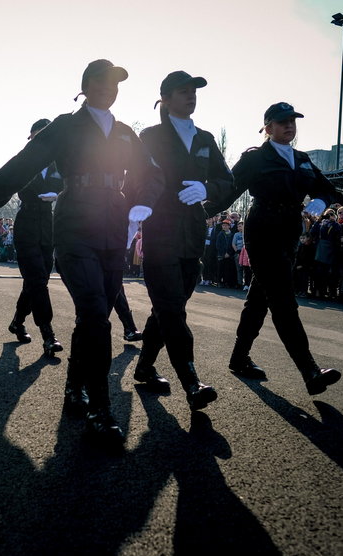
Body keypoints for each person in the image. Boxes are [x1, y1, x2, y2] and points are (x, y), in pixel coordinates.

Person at [0, 59, 164, 443]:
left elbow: (152, 174)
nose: (109, 88)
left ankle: (72, 387)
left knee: (92, 316)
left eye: (115, 83)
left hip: (114, 228)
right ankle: (101, 408)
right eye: (102, 81)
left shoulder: (128, 134)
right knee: (98, 315)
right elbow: (21, 166)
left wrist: (143, 203)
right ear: (87, 85)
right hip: (75, 224)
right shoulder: (64, 126)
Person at [223, 102, 342, 396]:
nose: (289, 125)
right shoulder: (256, 158)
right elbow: (228, 191)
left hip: (289, 231)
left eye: (292, 121)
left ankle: (239, 358)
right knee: (282, 299)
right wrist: (197, 210)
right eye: (281, 121)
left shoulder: (301, 159)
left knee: (260, 296)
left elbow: (327, 189)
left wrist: (321, 202)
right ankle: (309, 370)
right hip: (263, 228)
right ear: (267, 127)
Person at [131, 70, 233, 410]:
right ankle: (191, 381)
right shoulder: (151, 136)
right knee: (172, 309)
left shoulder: (204, 138)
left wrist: (208, 190)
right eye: (183, 91)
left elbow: (226, 181)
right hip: (160, 229)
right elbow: (136, 180)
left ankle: (144, 367)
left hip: (192, 232)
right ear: (167, 97)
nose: (191, 96)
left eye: (194, 91)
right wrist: (134, 216)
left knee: (170, 306)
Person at [6, 118, 64, 357]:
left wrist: (61, 193)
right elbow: (3, 185)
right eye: (39, 135)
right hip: (27, 225)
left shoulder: (60, 164)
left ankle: (18, 322)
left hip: (47, 227)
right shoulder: (24, 162)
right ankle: (48, 335)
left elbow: (76, 184)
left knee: (36, 280)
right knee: (38, 280)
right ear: (30, 138)